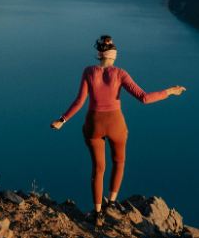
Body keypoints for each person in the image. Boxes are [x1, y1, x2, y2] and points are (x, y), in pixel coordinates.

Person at [50, 35, 185, 226]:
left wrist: (62, 120)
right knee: (118, 162)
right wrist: (169, 91)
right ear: (113, 56)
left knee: (98, 169)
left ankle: (97, 215)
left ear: (99, 55)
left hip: (93, 124)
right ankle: (110, 205)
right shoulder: (120, 73)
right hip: (116, 124)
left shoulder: (88, 71)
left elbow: (80, 101)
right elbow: (144, 98)